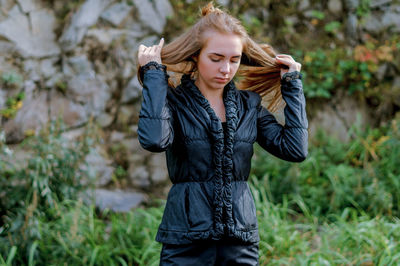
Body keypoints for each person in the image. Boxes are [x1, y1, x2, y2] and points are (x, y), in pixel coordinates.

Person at [137, 2, 308, 265]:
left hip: (239, 241)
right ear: (196, 55)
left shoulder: (249, 105)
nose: (226, 69)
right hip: (185, 240)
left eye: (234, 59)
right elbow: (154, 140)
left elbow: (295, 150)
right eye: (216, 58)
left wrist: (293, 86)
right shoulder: (174, 102)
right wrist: (153, 76)